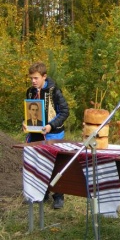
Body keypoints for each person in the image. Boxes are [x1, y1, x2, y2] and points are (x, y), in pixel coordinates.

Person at [22, 62, 70, 209]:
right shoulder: (30, 92)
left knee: (55, 165)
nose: (33, 81)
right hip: (35, 134)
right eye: (31, 78)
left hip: (52, 134)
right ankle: (41, 193)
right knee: (37, 163)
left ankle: (58, 196)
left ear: (44, 77)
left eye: (36, 78)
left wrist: (51, 125)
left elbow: (64, 112)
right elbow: (28, 112)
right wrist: (25, 122)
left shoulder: (55, 91)